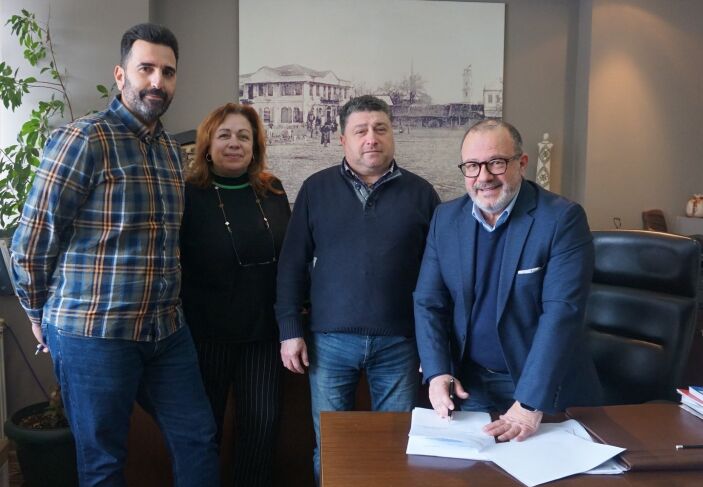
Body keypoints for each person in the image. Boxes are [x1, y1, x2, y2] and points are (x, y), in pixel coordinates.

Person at [11, 24, 220, 486]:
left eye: (168, 72)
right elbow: (32, 241)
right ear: (121, 75)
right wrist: (35, 312)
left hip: (165, 330)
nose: (157, 81)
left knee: (198, 439)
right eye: (146, 68)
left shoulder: (170, 151)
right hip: (94, 335)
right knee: (103, 462)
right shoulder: (83, 140)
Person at [275, 95, 440, 482]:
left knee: (394, 449)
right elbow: (292, 264)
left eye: (380, 129)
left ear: (393, 134)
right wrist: (289, 330)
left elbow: (439, 275)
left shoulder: (422, 194)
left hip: (400, 343)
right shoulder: (315, 190)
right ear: (342, 139)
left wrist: (435, 344)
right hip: (329, 343)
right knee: (333, 449)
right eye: (360, 130)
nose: (371, 138)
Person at [414, 119, 602, 442]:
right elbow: (428, 301)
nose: (483, 176)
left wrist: (529, 401)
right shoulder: (446, 219)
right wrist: (437, 371)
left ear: (522, 163)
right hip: (471, 384)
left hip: (541, 388)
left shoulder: (561, 219)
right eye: (472, 166)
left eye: (496, 163)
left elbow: (561, 314)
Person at [180, 103, 291, 486]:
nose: (234, 143)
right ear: (207, 145)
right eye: (224, 135)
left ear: (255, 146)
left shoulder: (273, 190)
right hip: (205, 335)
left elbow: (290, 257)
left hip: (263, 334)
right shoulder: (187, 195)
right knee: (203, 430)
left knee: (262, 426)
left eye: (244, 136)